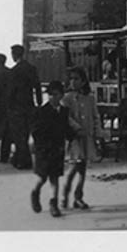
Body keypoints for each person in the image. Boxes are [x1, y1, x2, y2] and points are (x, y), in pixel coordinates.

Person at [60, 67, 102, 209]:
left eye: (76, 79)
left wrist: (98, 133)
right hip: (74, 138)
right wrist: (77, 128)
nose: (73, 81)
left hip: (87, 137)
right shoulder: (66, 99)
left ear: (83, 81)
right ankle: (66, 193)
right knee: (74, 166)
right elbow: (66, 117)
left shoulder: (90, 98)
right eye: (71, 79)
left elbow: (95, 116)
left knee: (82, 167)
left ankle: (78, 196)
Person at [30, 80, 72, 217]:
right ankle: (35, 192)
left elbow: (66, 128)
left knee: (55, 177)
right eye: (50, 94)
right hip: (44, 150)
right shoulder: (42, 112)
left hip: (57, 149)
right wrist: (40, 146)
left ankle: (53, 203)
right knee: (43, 177)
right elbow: (36, 131)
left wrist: (73, 136)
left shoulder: (64, 112)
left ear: (61, 95)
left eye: (55, 94)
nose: (52, 97)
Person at [7, 44, 42, 170]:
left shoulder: (14, 71)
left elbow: (11, 91)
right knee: (26, 133)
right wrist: (39, 102)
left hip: (17, 107)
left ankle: (24, 161)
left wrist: (9, 105)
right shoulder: (31, 68)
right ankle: (19, 159)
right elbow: (37, 86)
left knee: (19, 135)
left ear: (15, 55)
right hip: (29, 105)